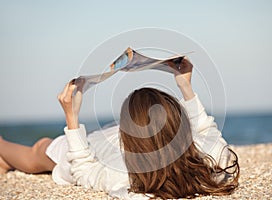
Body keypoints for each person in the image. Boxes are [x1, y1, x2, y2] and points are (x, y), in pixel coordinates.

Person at [0, 58, 239, 199]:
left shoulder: (122, 175)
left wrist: (71, 117)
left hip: (99, 148)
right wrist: (185, 85)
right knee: (43, 148)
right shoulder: (211, 155)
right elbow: (206, 129)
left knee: (39, 152)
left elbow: (83, 169)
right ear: (179, 123)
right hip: (115, 142)